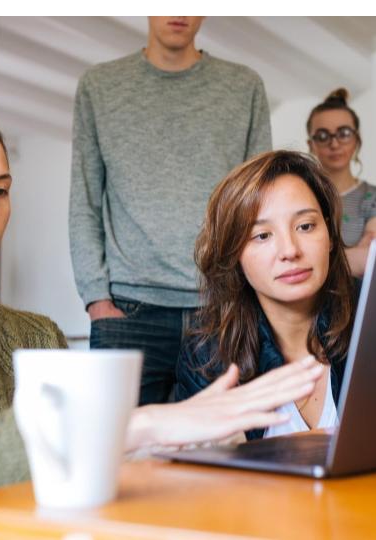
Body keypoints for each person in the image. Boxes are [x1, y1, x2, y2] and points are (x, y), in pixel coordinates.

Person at [0, 51, 320, 540]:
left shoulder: (35, 335)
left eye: (0, 189)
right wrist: (137, 424)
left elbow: (81, 483)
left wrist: (186, 444)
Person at [69, 16, 272, 405]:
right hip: (126, 312)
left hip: (220, 307)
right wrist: (96, 299)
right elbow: (85, 200)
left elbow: (261, 203)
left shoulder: (244, 87)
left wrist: (249, 295)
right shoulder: (100, 86)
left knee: (216, 457)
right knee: (122, 456)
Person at [175, 151, 357, 440]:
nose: (290, 251)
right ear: (234, 255)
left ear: (331, 236)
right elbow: (195, 476)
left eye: (305, 226)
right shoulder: (207, 355)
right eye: (262, 235)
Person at [306, 88, 376, 276]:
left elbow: (367, 260)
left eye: (343, 133)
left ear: (356, 139)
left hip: (357, 301)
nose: (334, 144)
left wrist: (308, 267)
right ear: (310, 145)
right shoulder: (299, 196)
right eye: (322, 136)